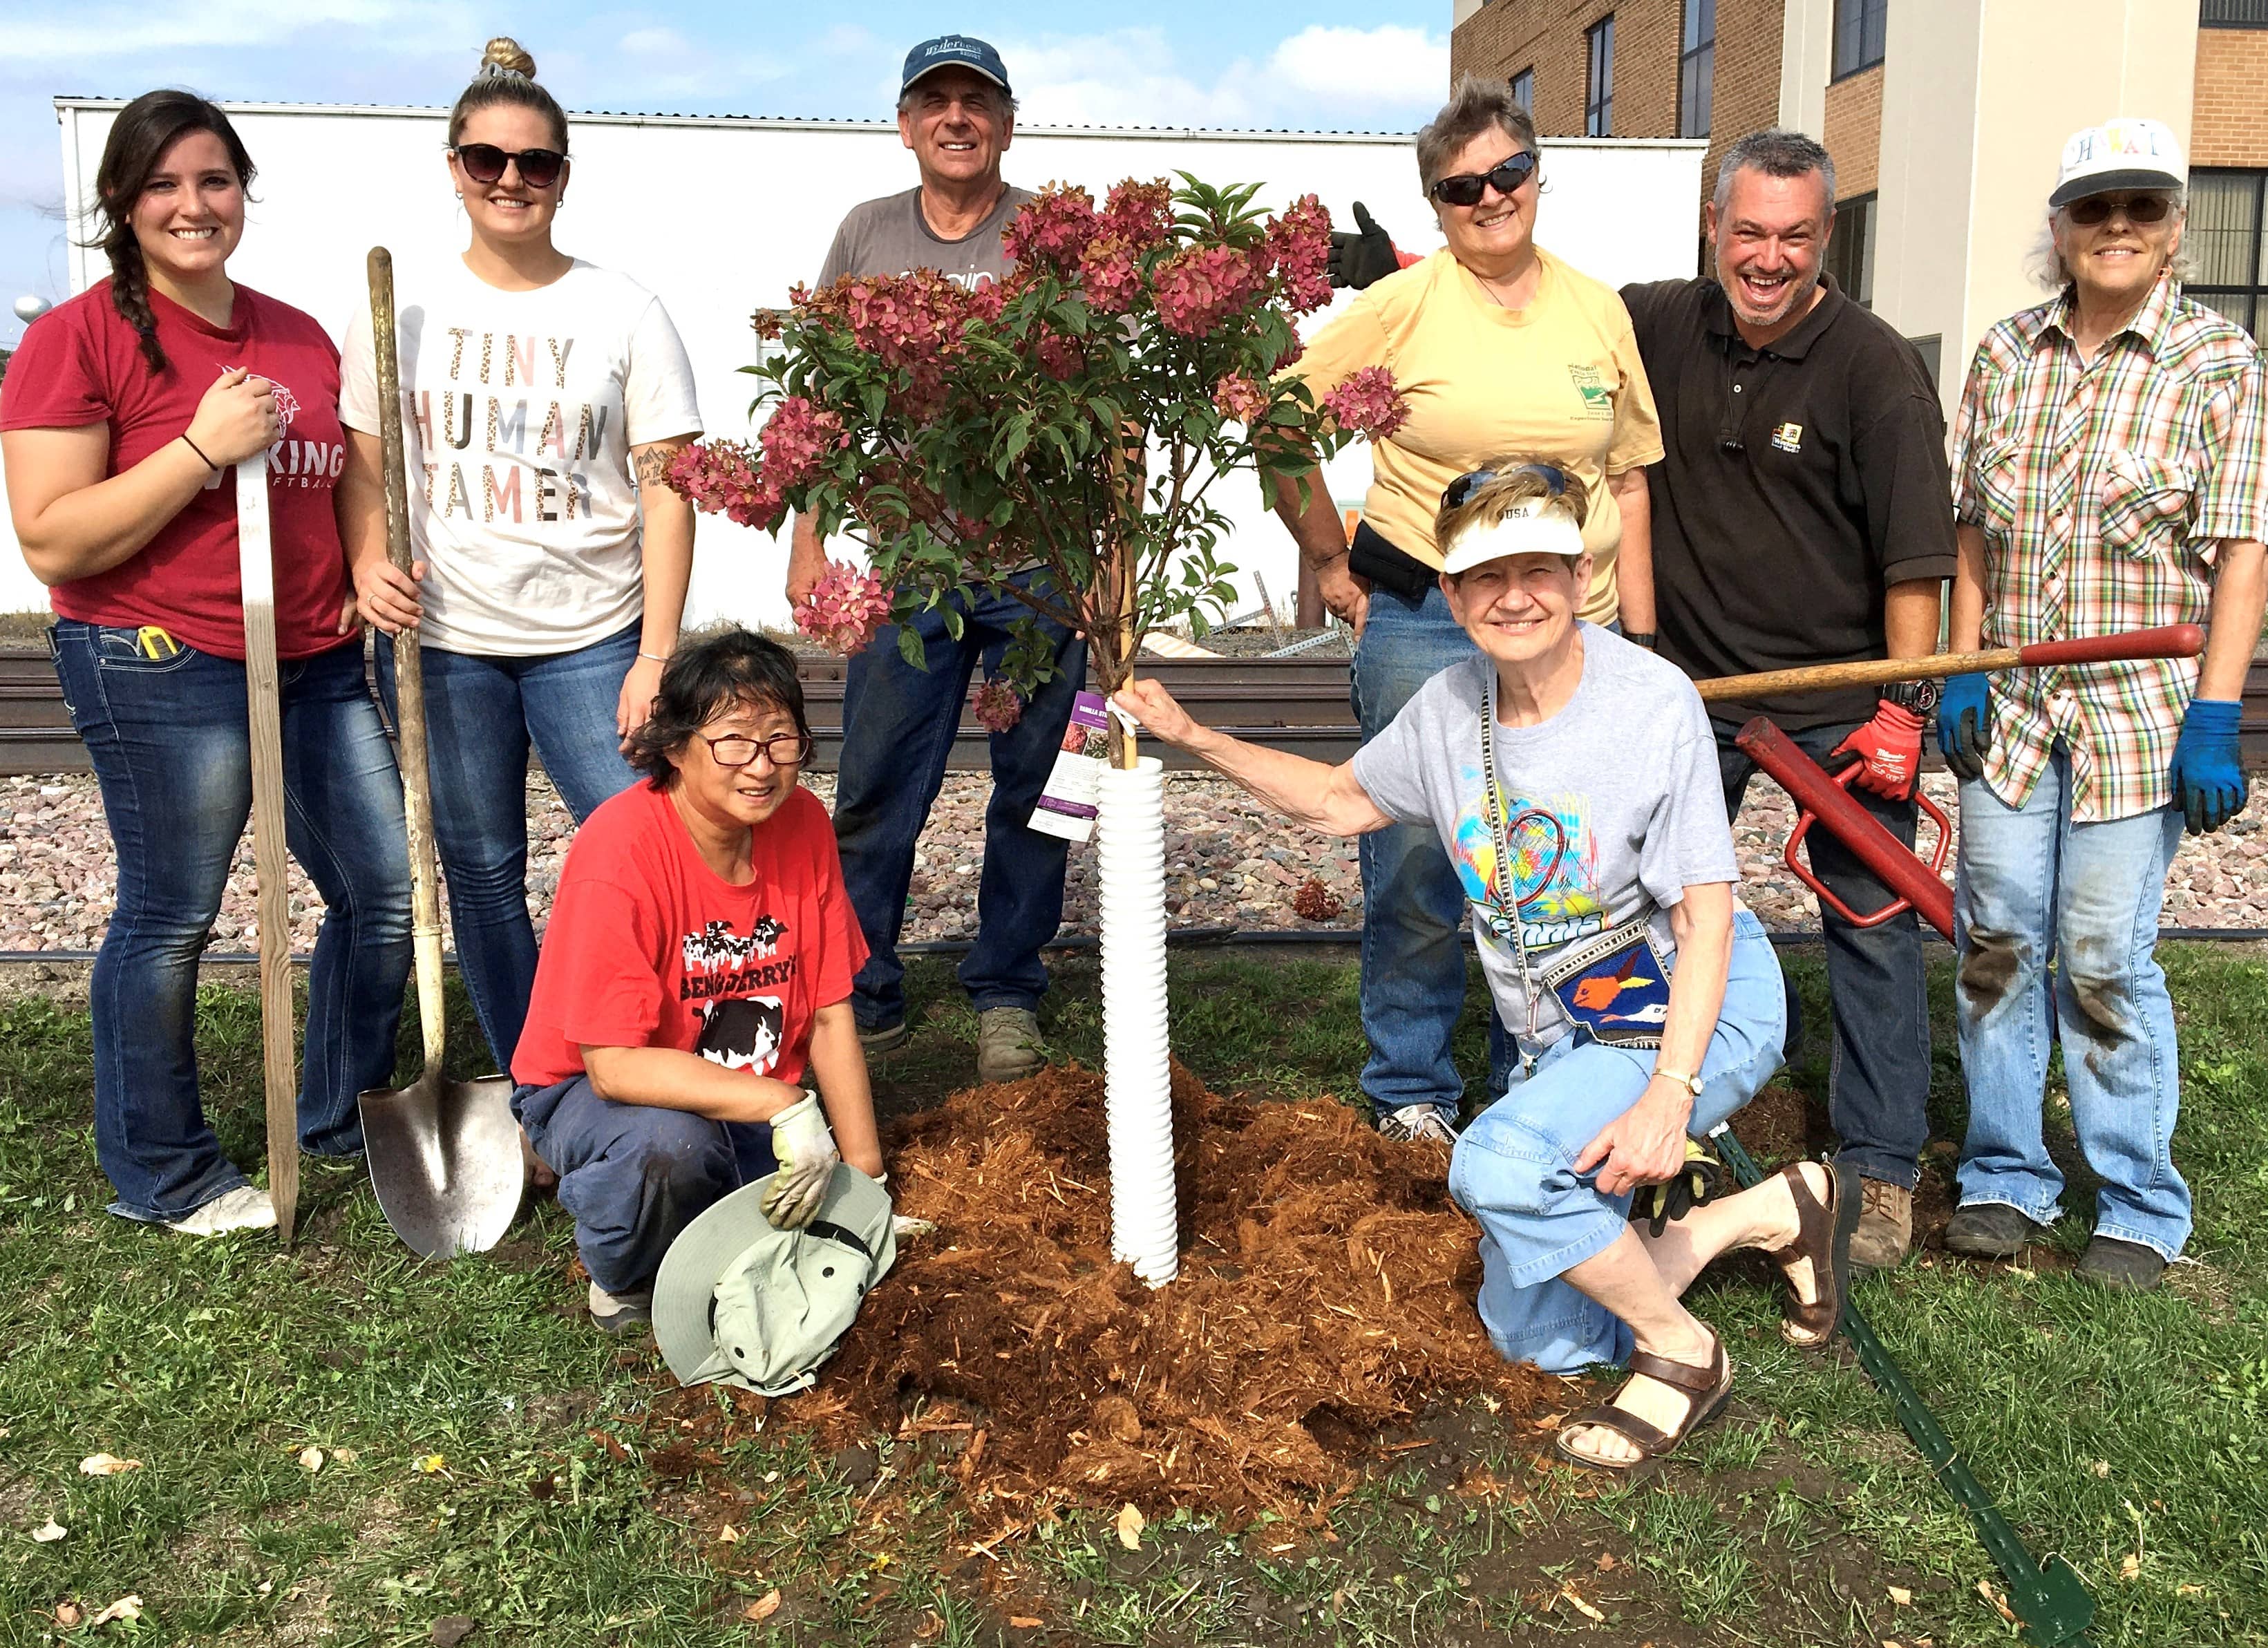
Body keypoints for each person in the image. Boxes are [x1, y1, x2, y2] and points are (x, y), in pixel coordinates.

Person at [1117, 467, 1855, 1471]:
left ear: (1581, 575)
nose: (1513, 595)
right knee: (1539, 1337)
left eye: (1537, 569)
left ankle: (1684, 1353)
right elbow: (1339, 800)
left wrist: (1667, 1102)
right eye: (1484, 575)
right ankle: (1769, 1211)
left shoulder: (1652, 704)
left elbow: (1707, 916)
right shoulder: (1446, 708)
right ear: (1453, 596)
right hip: (1569, 1032)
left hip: (1692, 1003)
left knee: (1498, 1163)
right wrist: (1191, 736)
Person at [0, 91, 410, 1234]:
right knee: (174, 917)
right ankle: (163, 1170)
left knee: (380, 896)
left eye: (214, 180)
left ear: (242, 192)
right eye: (164, 185)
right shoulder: (75, 338)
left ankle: (332, 1116)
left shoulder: (295, 336)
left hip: (318, 660)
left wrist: (369, 563)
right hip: (159, 656)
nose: (193, 204)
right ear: (123, 204)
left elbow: (346, 479)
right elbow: (52, 536)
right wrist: (195, 450)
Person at [1275, 75, 1663, 1144]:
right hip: (1423, 621)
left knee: (1558, 858)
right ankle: (1411, 1087)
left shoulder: (1597, 311)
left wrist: (1638, 633)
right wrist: (1329, 559)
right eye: (1461, 187)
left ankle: (1544, 1071)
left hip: (1567, 627)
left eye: (1508, 172)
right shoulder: (1401, 305)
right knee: (1415, 860)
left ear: (1537, 174)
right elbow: (1274, 420)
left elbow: (1627, 479)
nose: (1490, 197)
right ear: (1435, 206)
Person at [1614, 130, 1958, 1272]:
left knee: (1869, 920)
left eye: (1794, 236)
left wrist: (1901, 712)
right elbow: (1534, 311)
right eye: (1748, 231)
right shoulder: (1657, 323)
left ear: (1824, 239)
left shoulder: (1872, 369)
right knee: (1643, 905)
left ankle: (1879, 1164)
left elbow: (1917, 566)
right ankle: (1645, 1120)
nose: (1768, 258)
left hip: (1833, 699)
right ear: (1714, 228)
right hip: (1691, 691)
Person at [1938, 118, 2265, 1292]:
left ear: (2173, 227)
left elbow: (2239, 556)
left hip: (2138, 714)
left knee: (2101, 957)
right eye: (2092, 209)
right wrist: (1963, 659)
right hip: (2017, 714)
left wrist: (2214, 715)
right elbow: (1971, 527)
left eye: (2139, 208)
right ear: (2059, 228)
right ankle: (2002, 1176)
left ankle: (2135, 1197)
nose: (2114, 229)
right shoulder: (2004, 355)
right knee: (1995, 945)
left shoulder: (2217, 365)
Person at [340, 36, 703, 1074]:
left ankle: (672, 1058)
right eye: (487, 160)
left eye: (534, 163)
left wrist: (656, 655)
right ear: (453, 166)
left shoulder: (621, 310)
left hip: (594, 639)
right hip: (445, 643)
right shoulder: (397, 312)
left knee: (648, 851)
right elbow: (366, 469)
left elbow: (671, 492)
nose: (510, 180)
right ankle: (536, 1080)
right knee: (484, 871)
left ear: (563, 177)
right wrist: (367, 560)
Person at [788, 34, 1085, 1084]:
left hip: (1040, 566)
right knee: (873, 787)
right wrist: (810, 538)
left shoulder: (1052, 236)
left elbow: (1111, 404)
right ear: (906, 123)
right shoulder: (867, 233)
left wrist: (1115, 569)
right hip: (910, 568)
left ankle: (1007, 989)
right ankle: (862, 991)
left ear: (1006, 121)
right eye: (935, 102)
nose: (956, 118)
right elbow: (821, 393)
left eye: (976, 102)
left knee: (1037, 788)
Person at [510, 629, 884, 1331]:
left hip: (734, 1086)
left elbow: (831, 1012)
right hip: (594, 1086)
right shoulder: (620, 851)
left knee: (778, 1221)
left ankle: (686, 1189)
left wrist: (868, 1181)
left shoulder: (801, 823)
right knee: (670, 1152)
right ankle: (618, 1274)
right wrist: (786, 1105)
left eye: (782, 740)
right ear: (675, 748)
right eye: (735, 741)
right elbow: (615, 1067)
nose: (763, 766)